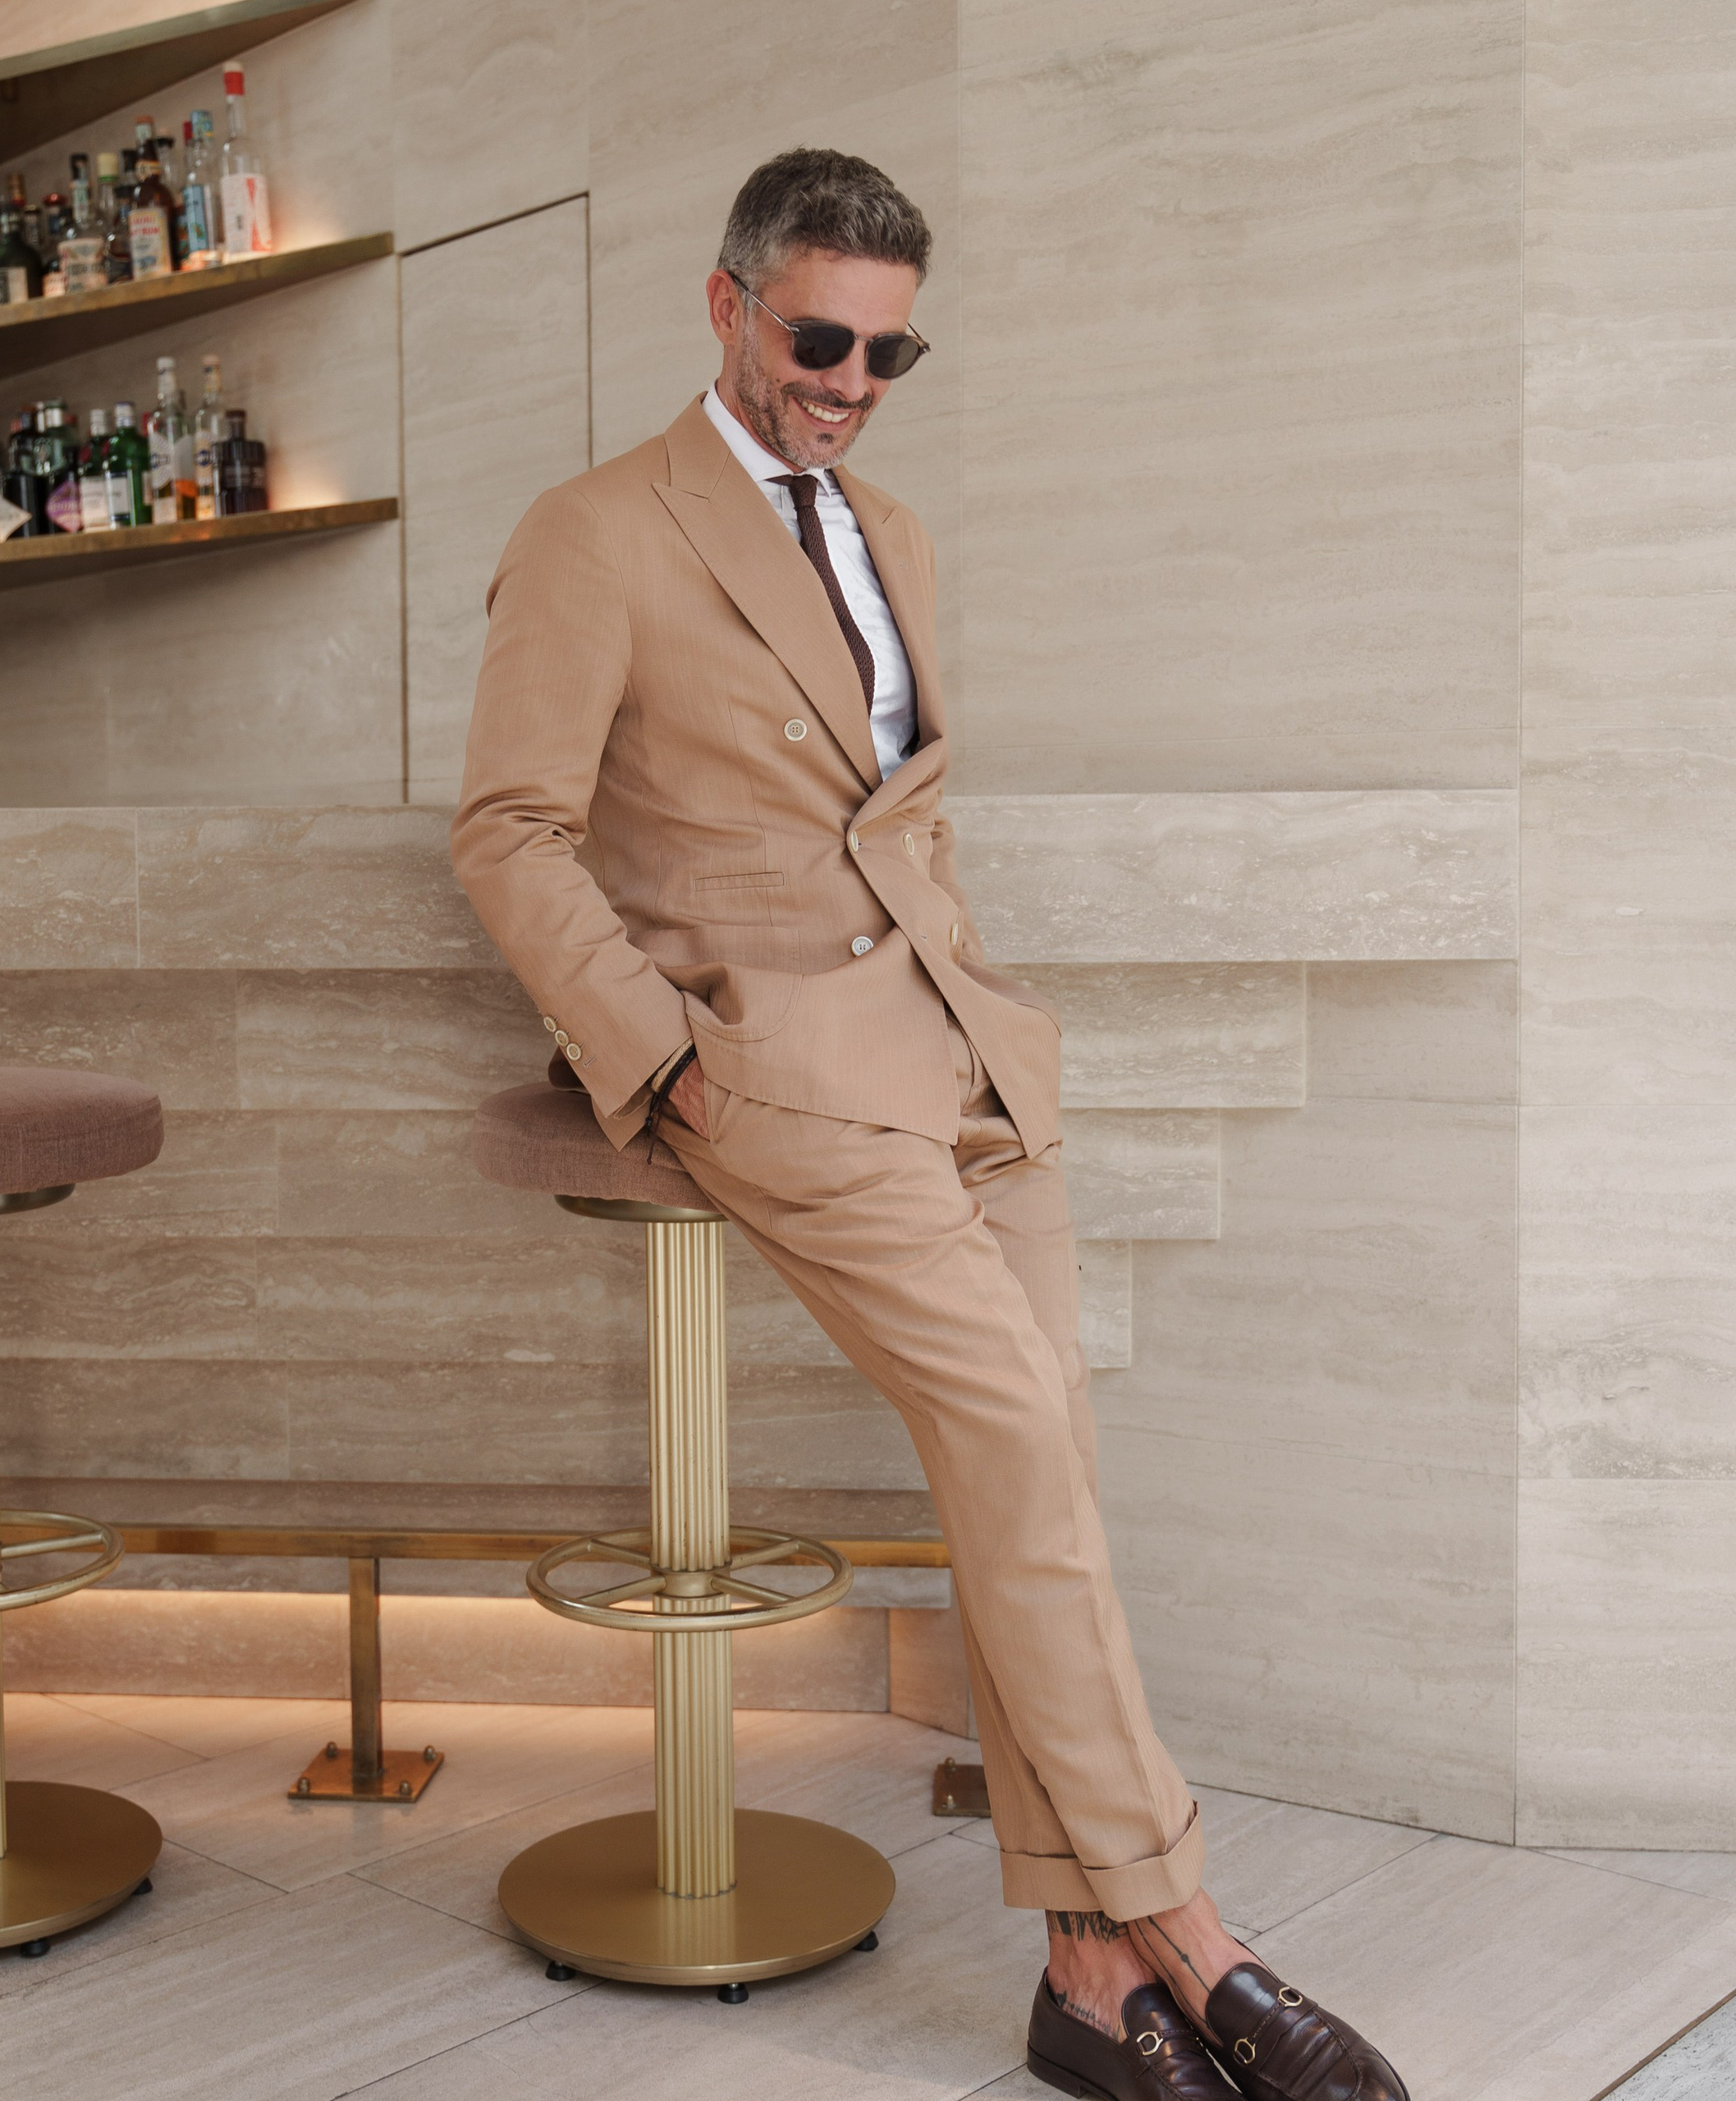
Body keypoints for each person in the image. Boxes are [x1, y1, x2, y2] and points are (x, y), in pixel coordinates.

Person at [451, 145, 1408, 2101]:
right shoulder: (595, 530)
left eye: (888, 353)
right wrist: (662, 1055)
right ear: (725, 303)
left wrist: (971, 992)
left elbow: (904, 812)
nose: (850, 383)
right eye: (820, 340)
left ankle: (1082, 1975)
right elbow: (507, 831)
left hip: (961, 1049)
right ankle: (1189, 1927)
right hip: (771, 1060)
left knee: (1035, 1460)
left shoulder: (891, 528)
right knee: (1014, 1431)